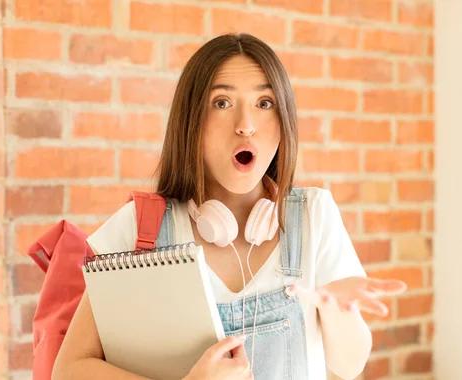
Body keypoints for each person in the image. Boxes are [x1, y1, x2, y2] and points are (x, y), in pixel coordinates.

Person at [51, 33, 407, 380]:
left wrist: (338, 314)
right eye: (222, 103)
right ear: (191, 122)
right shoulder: (143, 229)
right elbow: (68, 370)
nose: (246, 126)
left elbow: (349, 366)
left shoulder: (314, 215)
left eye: (264, 103)